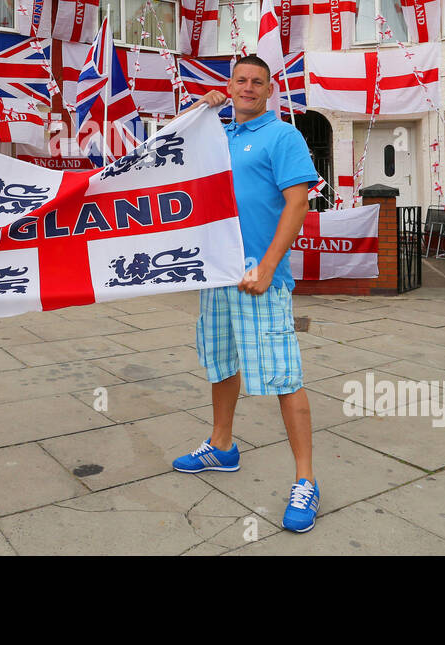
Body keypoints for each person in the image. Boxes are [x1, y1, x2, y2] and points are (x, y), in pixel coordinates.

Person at [170, 55, 321, 533]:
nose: (248, 88)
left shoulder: (283, 136)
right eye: (240, 81)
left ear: (270, 88)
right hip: (216, 275)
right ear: (229, 86)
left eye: (257, 81)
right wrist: (198, 110)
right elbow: (161, 155)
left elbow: (297, 203)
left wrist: (269, 266)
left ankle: (306, 480)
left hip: (261, 279)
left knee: (283, 375)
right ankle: (222, 446)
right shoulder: (213, 132)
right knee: (221, 363)